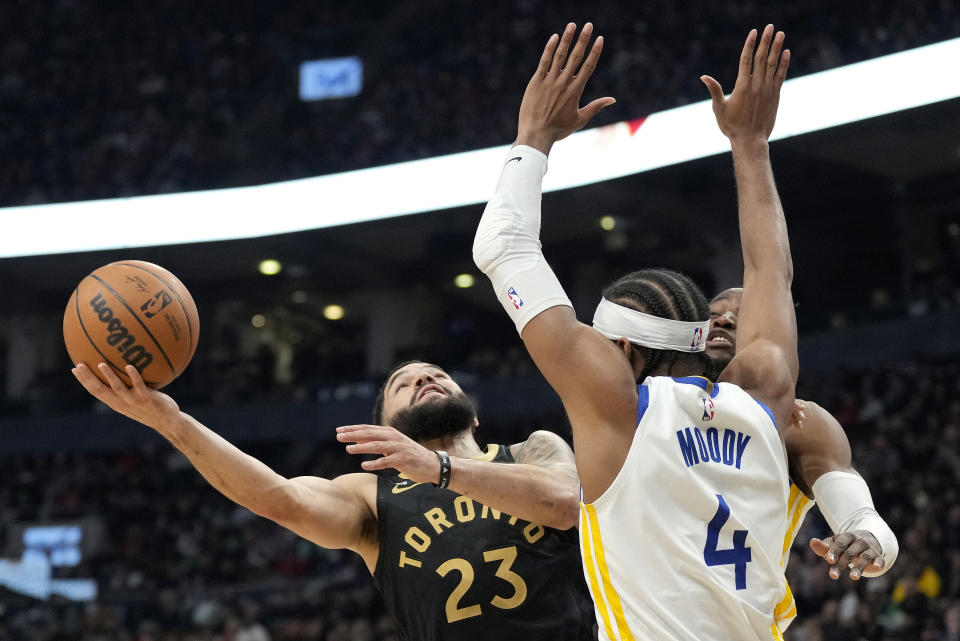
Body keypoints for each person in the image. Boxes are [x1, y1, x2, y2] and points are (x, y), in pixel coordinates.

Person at [473, 22, 811, 640]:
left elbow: (500, 245)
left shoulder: (617, 409)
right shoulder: (763, 391)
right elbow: (771, 271)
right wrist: (751, 145)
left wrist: (533, 138)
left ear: (622, 349)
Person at [71, 359, 596, 641]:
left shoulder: (531, 449)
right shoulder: (371, 495)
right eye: (404, 383)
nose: (425, 379)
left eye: (437, 375)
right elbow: (279, 499)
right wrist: (173, 423)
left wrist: (436, 468)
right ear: (388, 427)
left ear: (473, 414)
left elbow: (561, 504)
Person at [706, 287, 898, 587]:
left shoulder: (799, 425)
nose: (725, 320)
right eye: (713, 315)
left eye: (745, 317)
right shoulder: (649, 407)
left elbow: (861, 515)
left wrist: (868, 537)